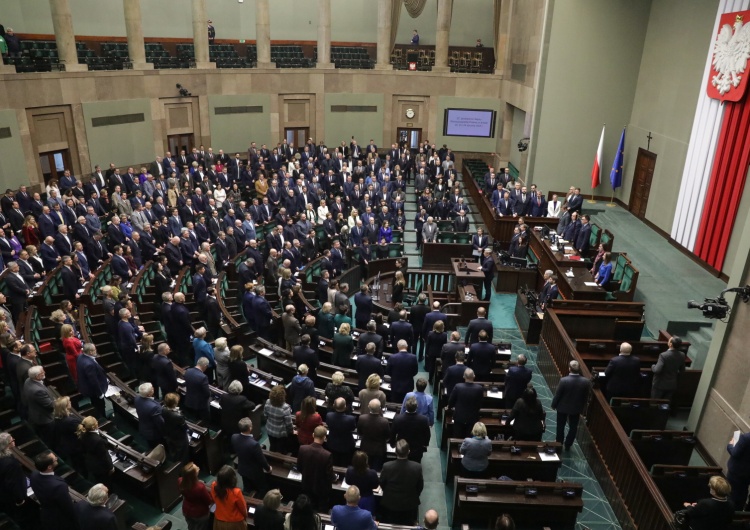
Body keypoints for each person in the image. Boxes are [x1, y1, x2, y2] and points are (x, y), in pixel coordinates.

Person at [29, 450, 78, 530]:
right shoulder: (59, 486)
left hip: (46, 515)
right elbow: (68, 508)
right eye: (55, 459)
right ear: (49, 467)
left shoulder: (34, 474)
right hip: (61, 520)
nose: (56, 458)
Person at [379, 439, 424, 525]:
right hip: (409, 504)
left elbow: (382, 483)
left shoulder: (387, 466)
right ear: (409, 452)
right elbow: (420, 486)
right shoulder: (417, 467)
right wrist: (413, 495)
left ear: (396, 452)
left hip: (390, 503)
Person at [551, 360, 592, 450]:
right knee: (573, 427)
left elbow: (558, 395)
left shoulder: (564, 380)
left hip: (562, 407)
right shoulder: (586, 381)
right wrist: (583, 408)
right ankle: (568, 444)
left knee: (560, 426)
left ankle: (559, 442)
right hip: (576, 408)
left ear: (569, 368)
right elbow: (586, 397)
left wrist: (554, 405)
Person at [297, 425, 335, 511]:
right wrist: (334, 478)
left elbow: (299, 467)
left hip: (306, 484)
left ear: (313, 435)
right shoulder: (327, 455)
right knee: (322, 508)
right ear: (324, 438)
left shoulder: (302, 449)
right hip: (321, 489)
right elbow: (329, 474)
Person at [232, 417, 272, 496]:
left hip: (242, 468)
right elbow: (261, 460)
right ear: (250, 428)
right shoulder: (254, 444)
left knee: (247, 488)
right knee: (263, 488)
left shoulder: (234, 437)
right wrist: (268, 469)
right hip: (255, 472)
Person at [391, 396, 431, 463]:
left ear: (405, 406)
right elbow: (427, 435)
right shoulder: (424, 420)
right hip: (417, 449)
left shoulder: (398, 419)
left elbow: (393, 433)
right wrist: (424, 444)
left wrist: (393, 444)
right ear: (417, 406)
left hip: (401, 448)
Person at [24, 366, 56, 446]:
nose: (44, 372)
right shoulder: (38, 391)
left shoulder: (28, 380)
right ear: (37, 376)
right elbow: (50, 405)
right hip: (45, 418)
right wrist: (58, 401)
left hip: (35, 412)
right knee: (51, 439)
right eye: (42, 372)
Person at [448, 368, 484, 438]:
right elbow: (480, 403)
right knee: (469, 437)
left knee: (457, 436)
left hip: (459, 417)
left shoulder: (458, 386)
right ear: (474, 376)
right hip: (472, 417)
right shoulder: (479, 388)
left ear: (464, 376)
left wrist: (449, 407)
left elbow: (451, 401)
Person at [211, 465, 248, 530]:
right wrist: (245, 518)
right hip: (235, 523)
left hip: (219, 520)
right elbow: (243, 509)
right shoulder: (236, 492)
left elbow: (214, 499)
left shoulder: (214, 486)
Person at [178, 462, 213, 530]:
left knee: (191, 527)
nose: (198, 468)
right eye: (197, 469)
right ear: (193, 475)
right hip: (200, 514)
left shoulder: (180, 481)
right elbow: (209, 501)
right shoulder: (200, 487)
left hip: (186, 510)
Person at [651, 336, 685, 401]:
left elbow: (657, 370)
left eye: (669, 340)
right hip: (672, 384)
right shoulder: (682, 355)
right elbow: (682, 370)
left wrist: (652, 366)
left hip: (659, 385)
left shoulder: (663, 355)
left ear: (670, 344)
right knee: (665, 405)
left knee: (655, 403)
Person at [53, 396, 82, 469]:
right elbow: (81, 431)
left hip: (67, 444)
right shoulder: (71, 421)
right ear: (65, 407)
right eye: (68, 402)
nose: (70, 402)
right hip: (76, 446)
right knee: (80, 465)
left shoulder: (58, 418)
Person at [264, 384, 294, 454]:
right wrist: (291, 431)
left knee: (272, 446)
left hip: (270, 430)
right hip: (281, 433)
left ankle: (271, 457)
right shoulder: (285, 407)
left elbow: (265, 415)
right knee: (280, 450)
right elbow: (289, 424)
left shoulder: (268, 402)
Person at [134, 382, 164, 448]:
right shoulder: (154, 407)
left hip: (143, 427)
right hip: (153, 433)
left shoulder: (137, 398)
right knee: (157, 447)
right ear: (149, 394)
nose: (153, 388)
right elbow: (160, 423)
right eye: (152, 389)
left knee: (151, 445)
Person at [162, 392, 189, 463]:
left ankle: (174, 460)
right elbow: (185, 427)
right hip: (179, 438)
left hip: (169, 434)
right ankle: (179, 465)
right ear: (175, 403)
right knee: (181, 454)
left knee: (172, 450)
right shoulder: (178, 416)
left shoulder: (163, 409)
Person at [727, 429, 750, 510]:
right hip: (748, 475)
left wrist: (730, 445)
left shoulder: (745, 438)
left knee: (732, 494)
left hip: (737, 473)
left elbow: (735, 453)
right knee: (743, 494)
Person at [184, 357, 211, 422]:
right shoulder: (203, 377)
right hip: (200, 405)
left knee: (192, 419)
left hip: (189, 400)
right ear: (205, 366)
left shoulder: (188, 371)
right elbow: (207, 393)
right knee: (203, 421)